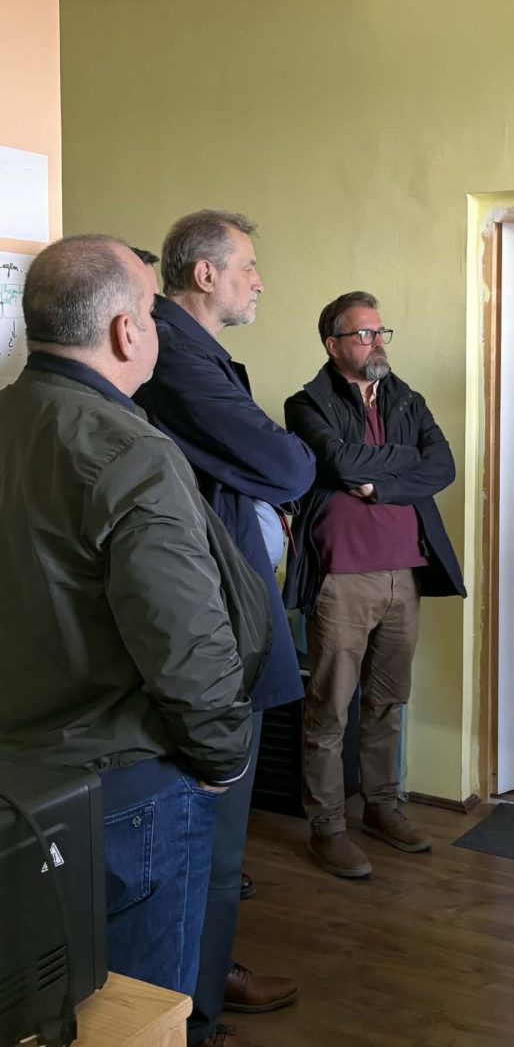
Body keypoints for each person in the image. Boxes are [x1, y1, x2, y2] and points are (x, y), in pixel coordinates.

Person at [0, 235, 262, 997]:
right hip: (121, 787)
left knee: (38, 1003)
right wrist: (222, 757)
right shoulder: (130, 451)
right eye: (152, 311)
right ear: (125, 331)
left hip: (15, 780)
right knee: (139, 1012)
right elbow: (185, 641)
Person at [136, 210, 315, 1047]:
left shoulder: (192, 352)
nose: (259, 281)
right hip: (210, 633)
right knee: (207, 843)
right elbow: (289, 464)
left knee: (217, 845)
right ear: (204, 274)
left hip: (224, 618)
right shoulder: (173, 354)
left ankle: (206, 982)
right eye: (247, 267)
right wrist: (275, 470)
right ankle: (194, 1020)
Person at [282, 291, 465, 879]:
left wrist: (379, 485)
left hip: (403, 573)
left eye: (381, 332)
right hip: (341, 578)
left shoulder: (406, 397)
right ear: (332, 344)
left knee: (388, 700)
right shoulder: (305, 403)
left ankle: (382, 807)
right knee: (330, 707)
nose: (377, 342)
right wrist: (397, 462)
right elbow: (339, 463)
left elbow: (442, 465)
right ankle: (328, 827)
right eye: (364, 334)